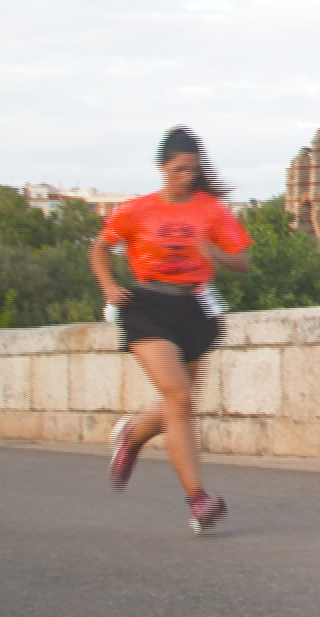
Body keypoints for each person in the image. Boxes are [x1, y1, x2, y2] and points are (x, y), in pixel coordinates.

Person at [90, 126, 251, 533]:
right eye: (178, 170)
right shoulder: (136, 210)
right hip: (146, 307)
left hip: (192, 308)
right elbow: (99, 248)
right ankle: (198, 500)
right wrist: (109, 286)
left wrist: (214, 253)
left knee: (180, 405)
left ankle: (132, 438)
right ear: (162, 167)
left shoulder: (211, 209)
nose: (185, 177)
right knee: (178, 394)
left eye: (192, 171)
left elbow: (242, 262)